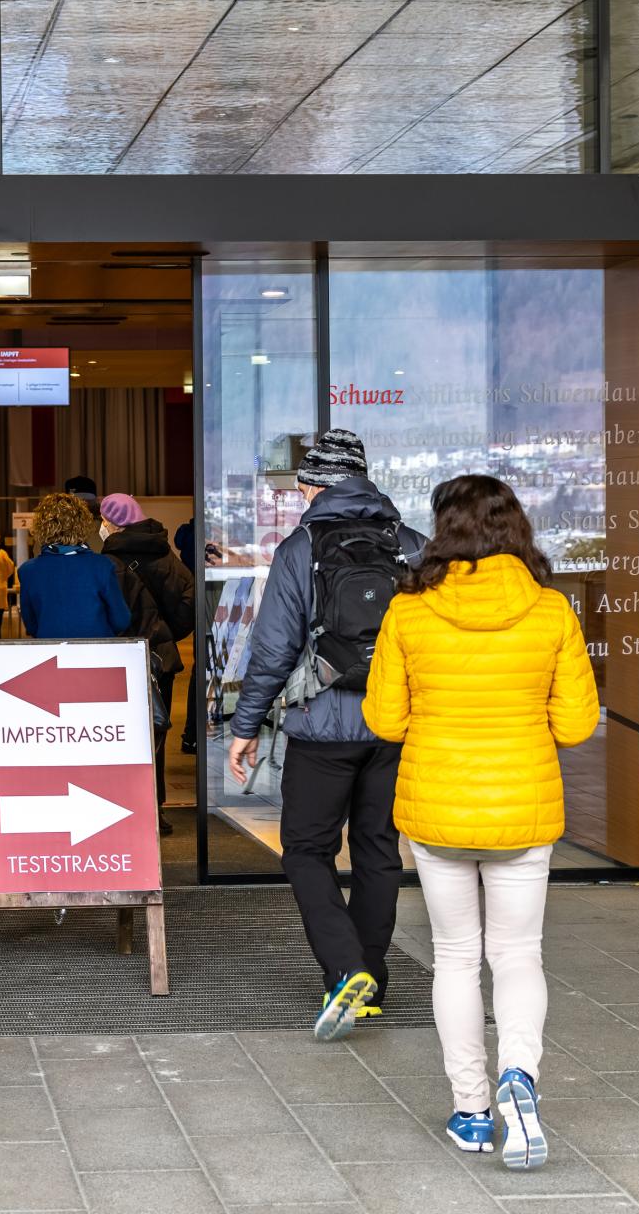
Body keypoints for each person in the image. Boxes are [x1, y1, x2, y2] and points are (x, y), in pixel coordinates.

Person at [363, 475, 598, 1168]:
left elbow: (384, 719)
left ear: (442, 531)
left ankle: (470, 1112)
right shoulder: (551, 610)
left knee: (457, 957)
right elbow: (578, 723)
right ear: (515, 527)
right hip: (522, 809)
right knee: (519, 954)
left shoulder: (409, 612)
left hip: (438, 810)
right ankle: (518, 1076)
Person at [227, 428, 426, 1041]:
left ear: (315, 485)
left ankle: (346, 971)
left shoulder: (301, 546)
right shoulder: (413, 545)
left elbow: (274, 649)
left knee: (307, 850)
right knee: (377, 851)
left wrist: (246, 726)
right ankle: (369, 985)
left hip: (321, 727)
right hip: (395, 725)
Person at [99, 494, 194, 836]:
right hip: (161, 657)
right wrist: (166, 633)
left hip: (120, 658)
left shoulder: (109, 559)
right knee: (155, 736)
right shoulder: (166, 553)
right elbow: (188, 600)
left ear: (112, 521)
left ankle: (123, 810)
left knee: (119, 740)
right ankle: (156, 810)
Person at [19, 493, 132, 638]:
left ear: (41, 527)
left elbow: (32, 625)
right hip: (97, 654)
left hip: (52, 654)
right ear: (83, 524)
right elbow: (121, 620)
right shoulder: (102, 565)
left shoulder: (28, 571)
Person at [173, 517, 199, 755]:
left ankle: (191, 735)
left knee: (199, 670)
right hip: (212, 601)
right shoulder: (202, 532)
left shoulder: (187, 533)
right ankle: (193, 734)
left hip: (197, 606)